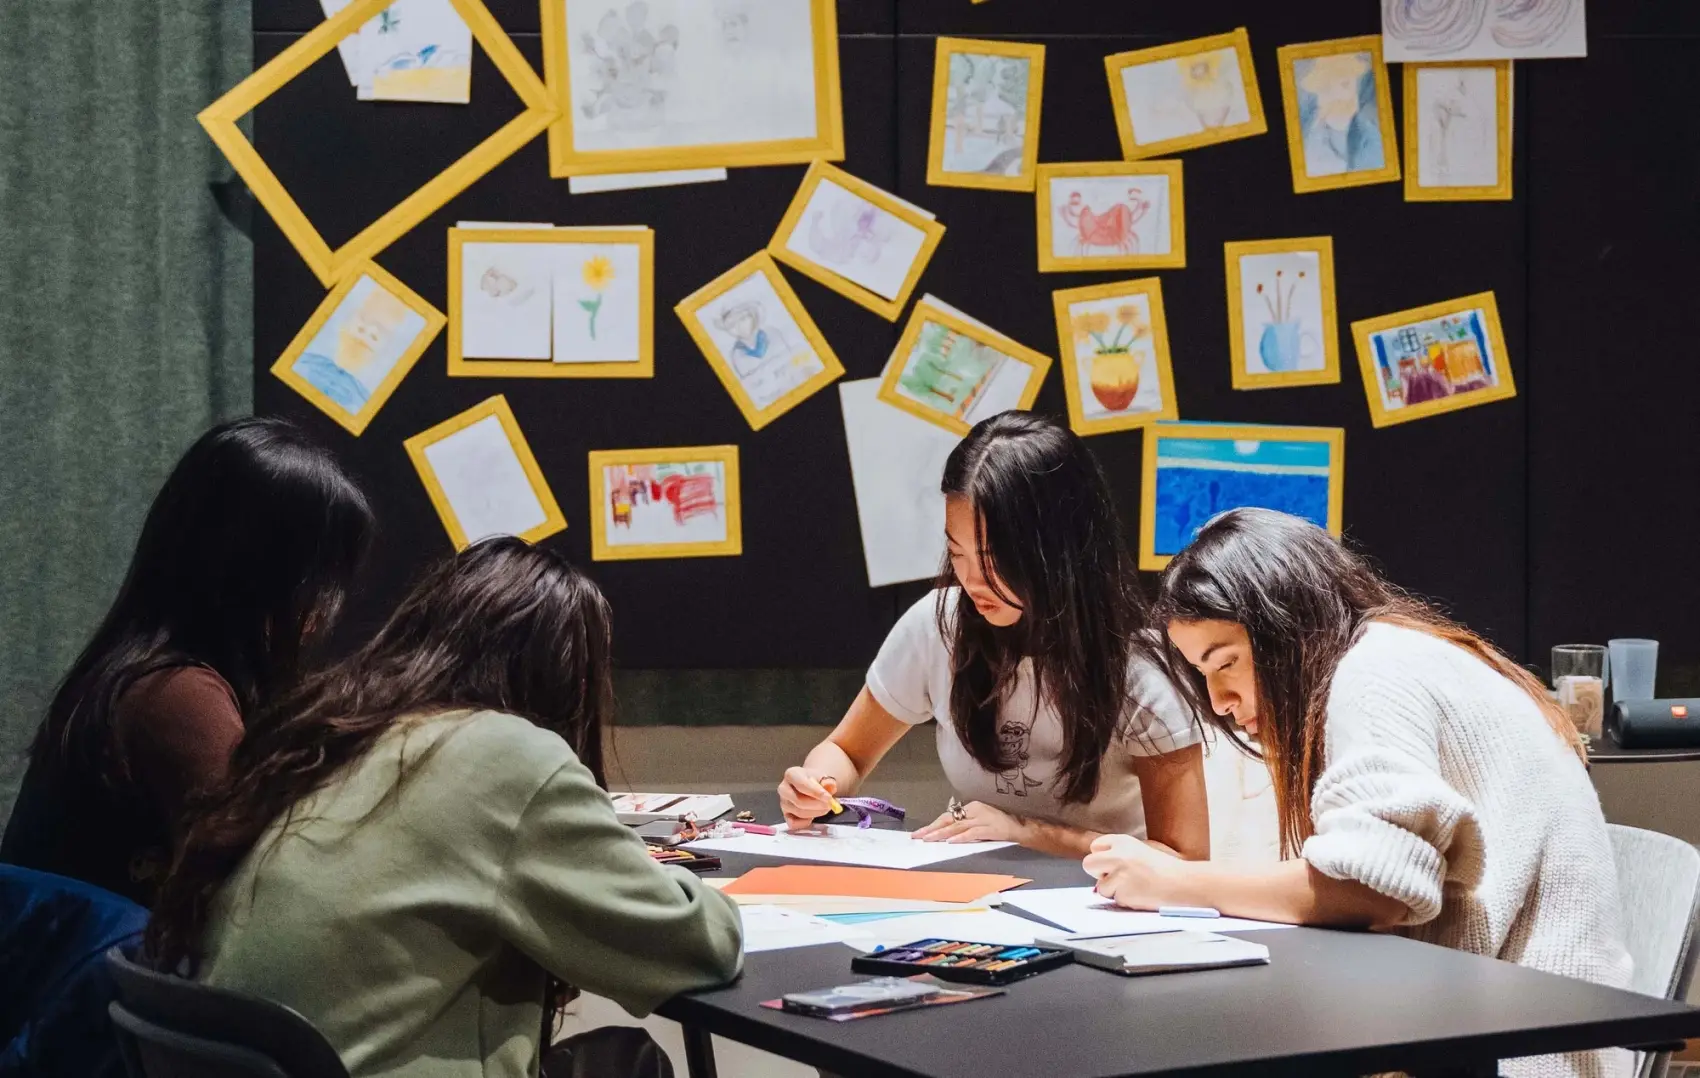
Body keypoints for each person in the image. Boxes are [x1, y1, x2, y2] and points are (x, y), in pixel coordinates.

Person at [146, 538, 743, 1078]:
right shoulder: (508, 755)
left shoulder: (330, 730)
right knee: (630, 1063)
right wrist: (718, 899)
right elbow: (696, 948)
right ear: (564, 676)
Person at [1085, 508, 1630, 1078]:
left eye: (1227, 663)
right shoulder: (1396, 651)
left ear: (1284, 625)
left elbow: (1371, 890)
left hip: (1527, 1053)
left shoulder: (1371, 674)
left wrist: (1176, 881)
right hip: (1499, 1028)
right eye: (1202, 674)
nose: (1218, 698)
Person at [779, 412, 1208, 859]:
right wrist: (818, 785)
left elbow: (1188, 863)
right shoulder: (938, 625)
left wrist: (1026, 831)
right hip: (980, 897)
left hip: (1107, 909)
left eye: (993, 557)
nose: (972, 580)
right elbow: (847, 751)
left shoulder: (1139, 671)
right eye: (956, 553)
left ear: (1061, 552)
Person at [1, 418, 373, 906]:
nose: (329, 608)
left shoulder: (135, 672)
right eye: (324, 578)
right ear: (262, 573)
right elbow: (266, 883)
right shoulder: (175, 697)